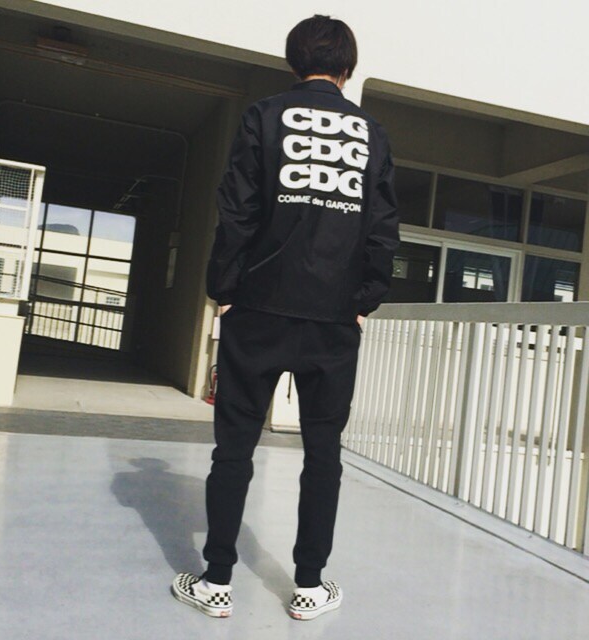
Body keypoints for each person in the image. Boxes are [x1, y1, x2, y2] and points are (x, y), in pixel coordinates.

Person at [172, 14, 399, 620]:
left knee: (234, 448)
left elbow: (237, 210)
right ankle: (309, 586)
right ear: (347, 67)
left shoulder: (264, 116)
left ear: (295, 61)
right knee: (324, 453)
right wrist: (363, 300)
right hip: (332, 318)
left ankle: (216, 580)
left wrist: (224, 289)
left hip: (259, 308)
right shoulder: (371, 133)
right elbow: (382, 228)